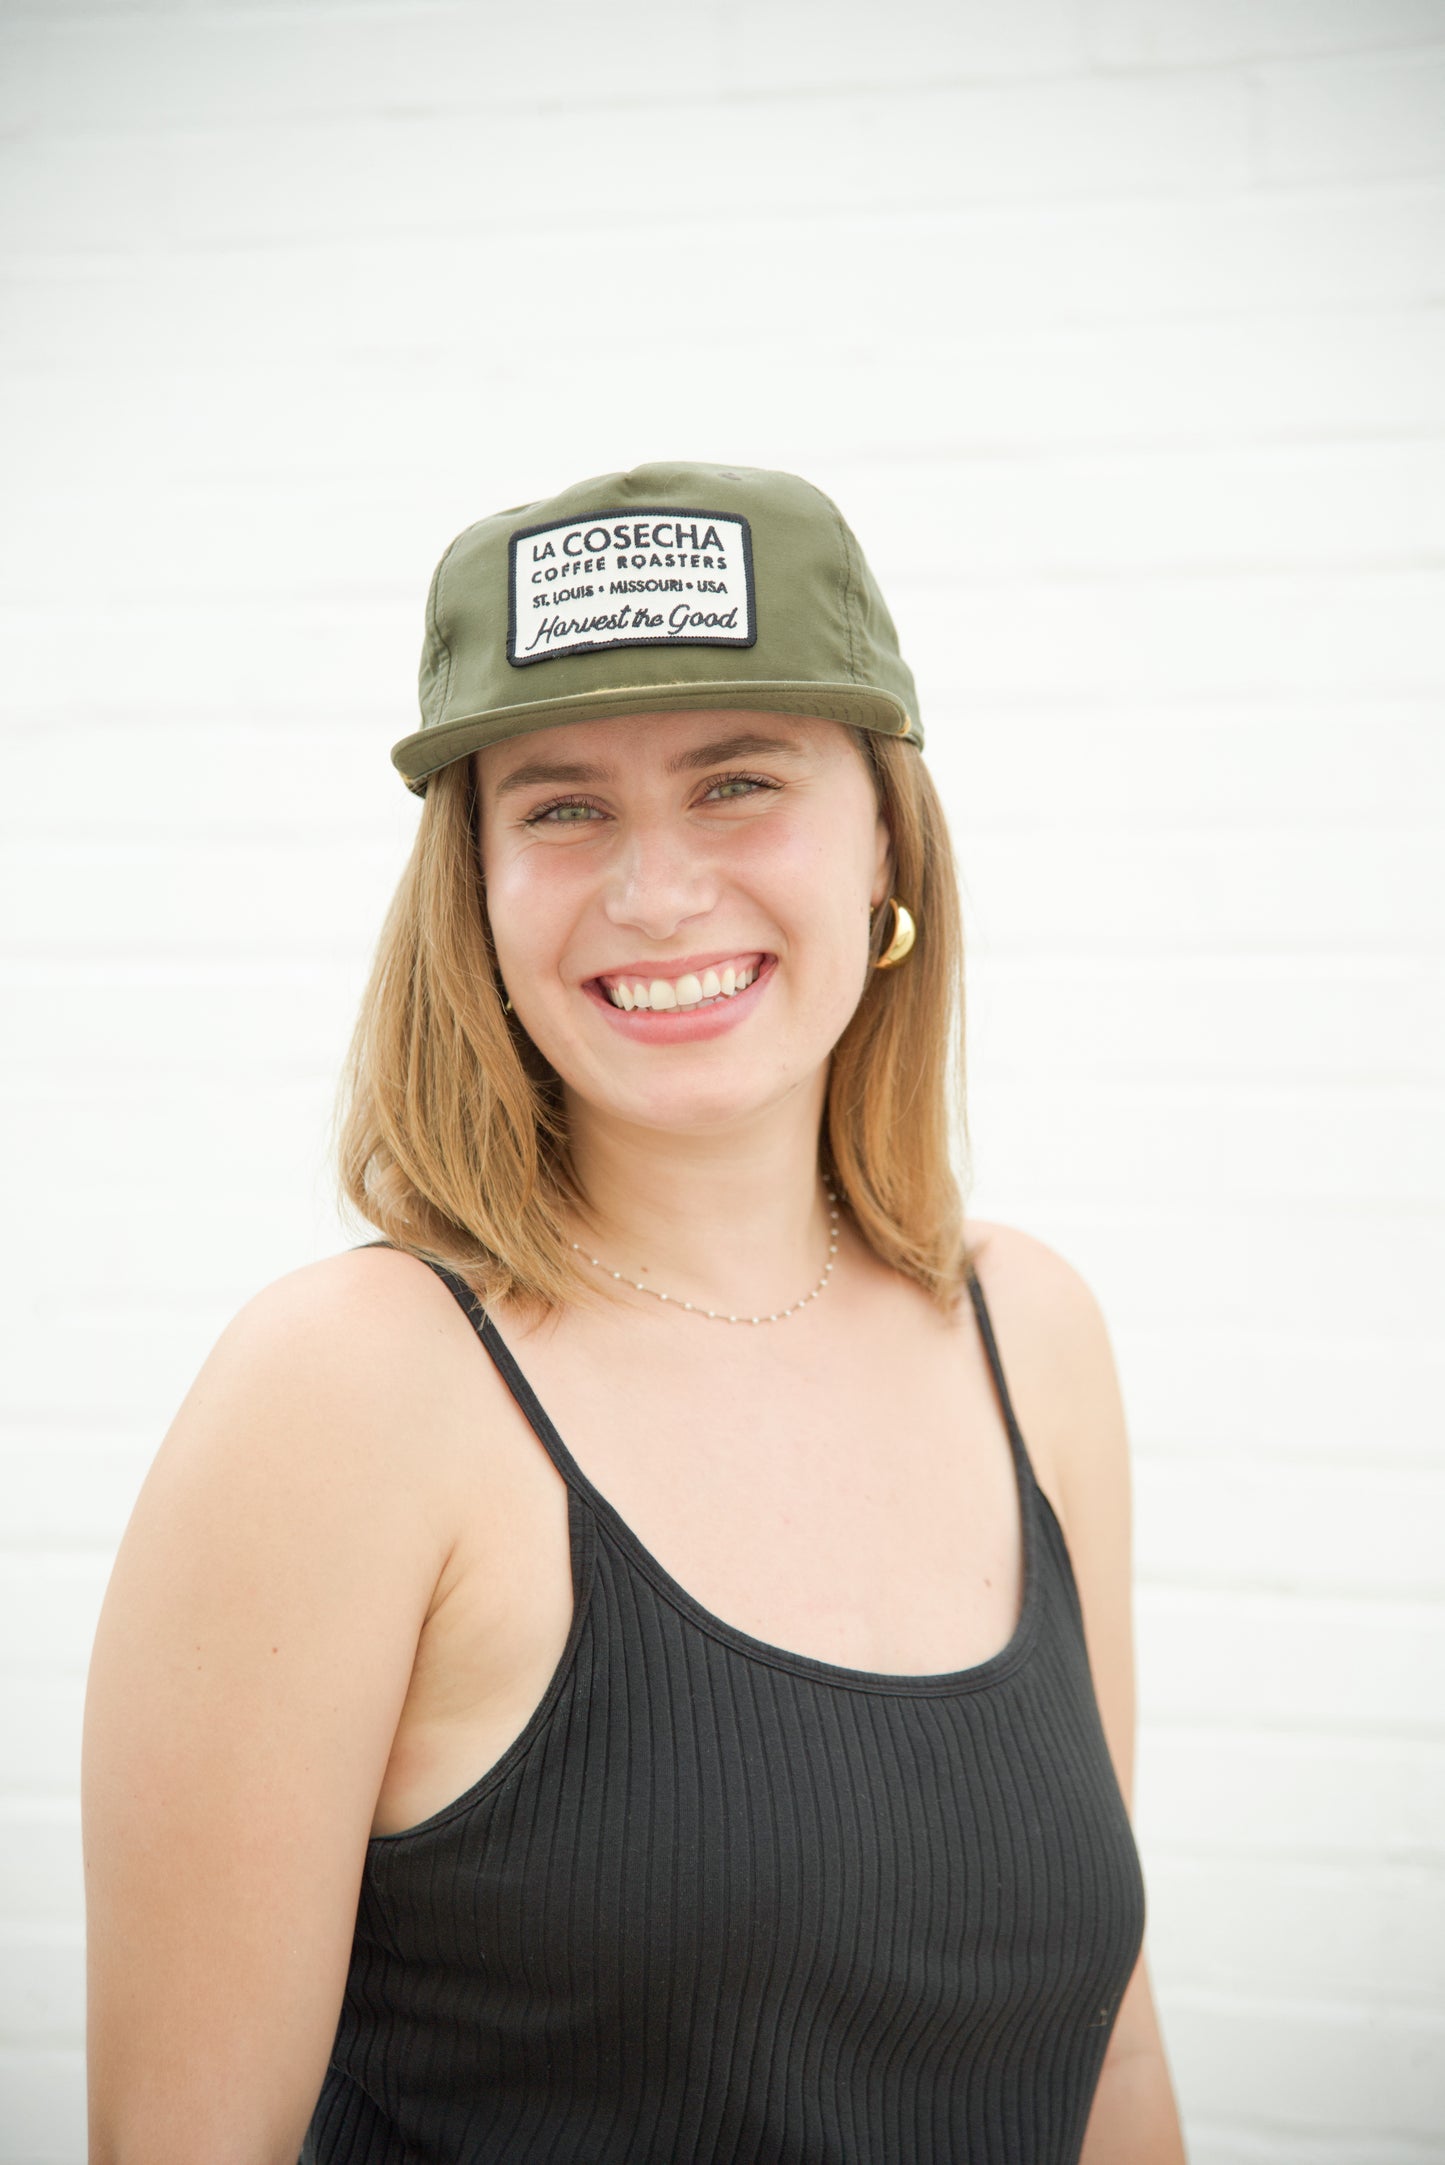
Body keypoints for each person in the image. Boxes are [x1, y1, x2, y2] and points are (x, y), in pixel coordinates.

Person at [83, 461, 1187, 2163]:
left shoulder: (1027, 1333)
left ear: (884, 828)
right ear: (474, 887)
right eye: (561, 806)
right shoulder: (348, 1394)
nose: (655, 892)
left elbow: (1108, 2061)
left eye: (738, 783)